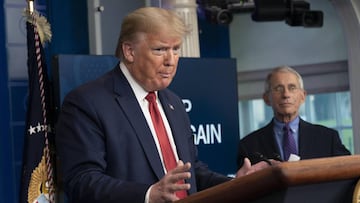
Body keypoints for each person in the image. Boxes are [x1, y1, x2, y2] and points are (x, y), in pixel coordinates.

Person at [55, 7, 270, 203]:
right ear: (129, 52)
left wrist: (235, 184)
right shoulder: (87, 102)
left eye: (176, 49)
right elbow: (81, 181)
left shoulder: (172, 102)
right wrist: (148, 195)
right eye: (159, 50)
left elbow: (190, 173)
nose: (171, 60)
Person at [236, 65, 351, 168]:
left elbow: (350, 170)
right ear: (266, 98)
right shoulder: (249, 145)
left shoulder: (328, 138)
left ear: (303, 96)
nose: (286, 95)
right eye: (278, 89)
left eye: (292, 88)